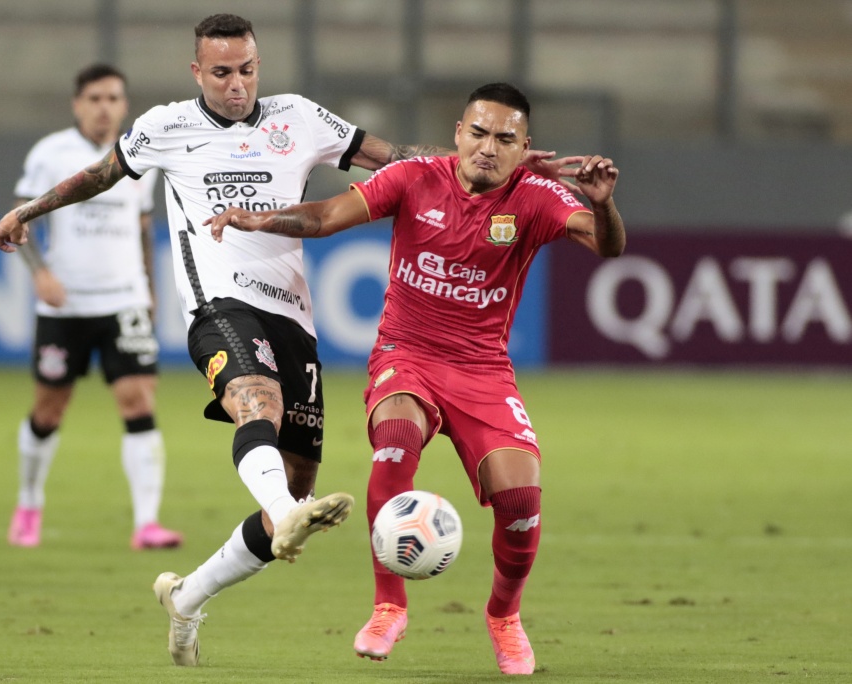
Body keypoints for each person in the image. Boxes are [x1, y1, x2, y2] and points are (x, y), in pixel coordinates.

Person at [208, 82, 625, 675]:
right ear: (458, 133)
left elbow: (605, 246)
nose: (488, 147)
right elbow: (327, 216)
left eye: (505, 139)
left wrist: (603, 203)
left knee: (520, 498)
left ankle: (504, 618)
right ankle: (388, 607)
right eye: (478, 133)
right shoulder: (414, 177)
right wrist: (259, 218)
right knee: (396, 442)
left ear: (524, 146)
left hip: (483, 368)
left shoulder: (534, 197)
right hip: (407, 355)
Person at [6, 64, 182, 551]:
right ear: (77, 104)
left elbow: (143, 226)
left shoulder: (137, 155)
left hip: (123, 299)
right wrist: (39, 271)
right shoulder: (51, 154)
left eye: (113, 98)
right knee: (50, 408)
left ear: (124, 105)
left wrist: (148, 287)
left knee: (139, 400)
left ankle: (147, 523)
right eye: (95, 98)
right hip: (66, 306)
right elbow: (20, 221)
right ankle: (29, 502)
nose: (105, 106)